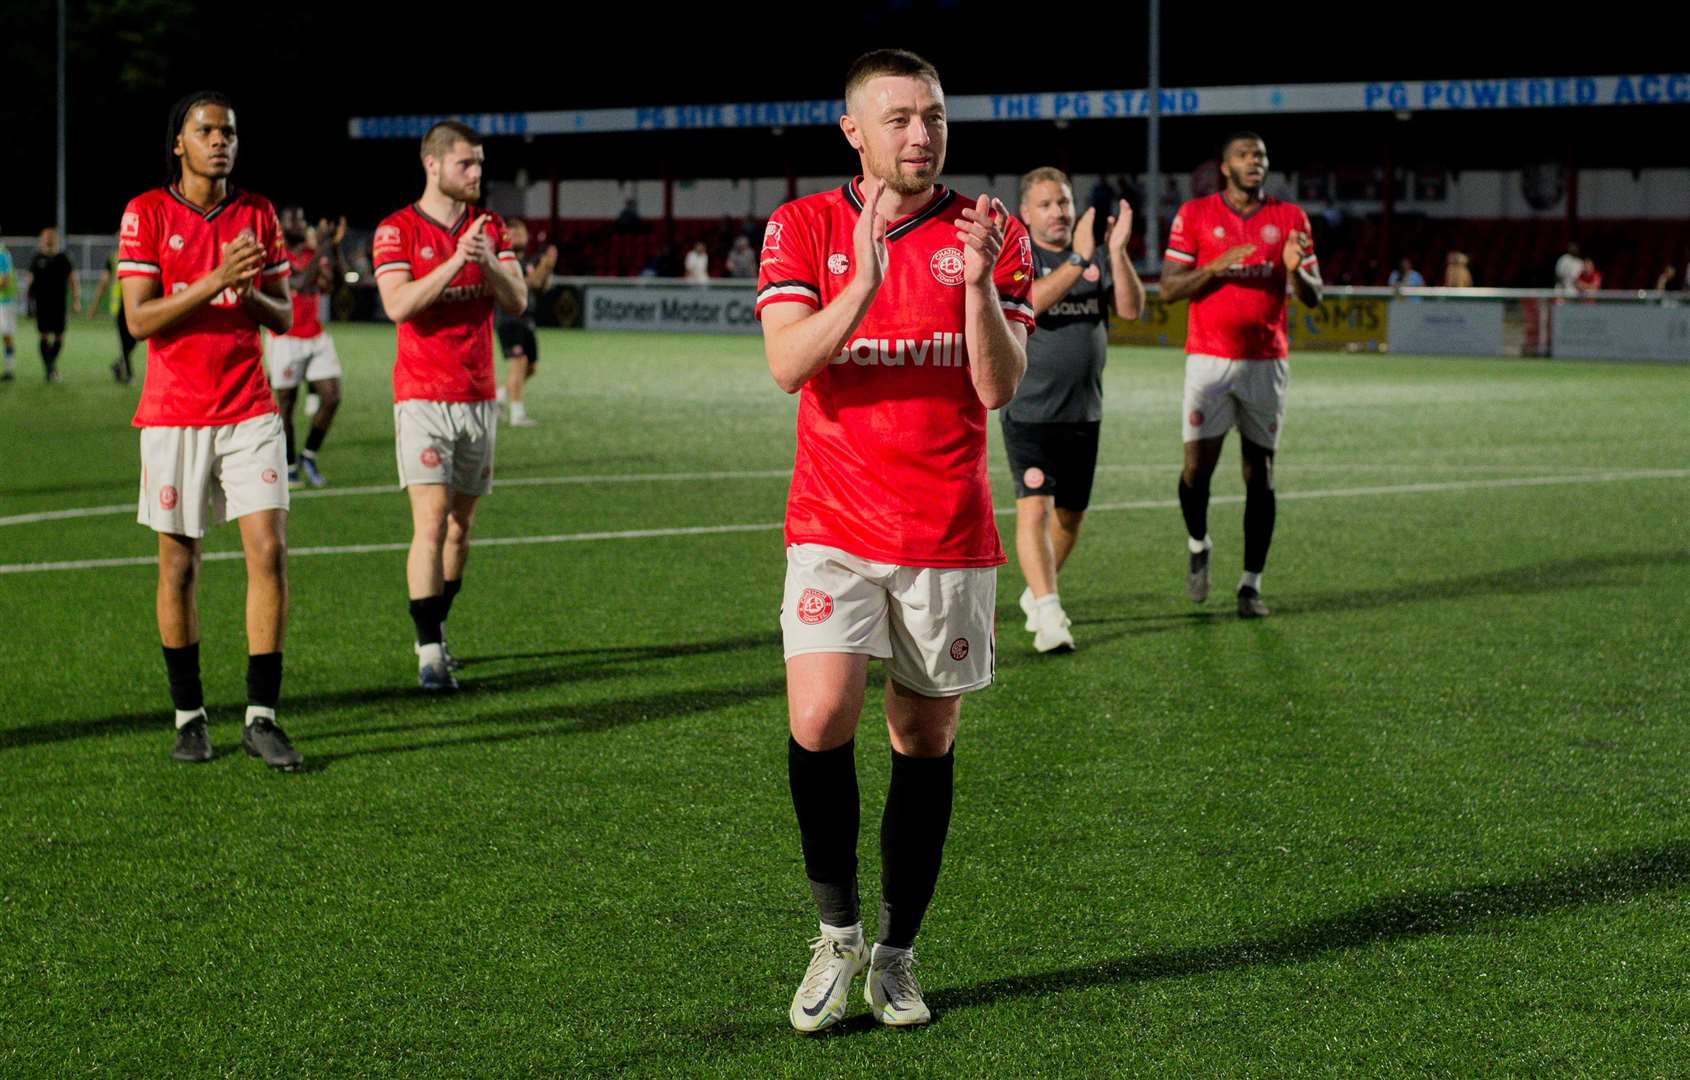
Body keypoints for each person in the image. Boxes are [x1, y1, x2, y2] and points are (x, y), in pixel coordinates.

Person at [757, 48, 1033, 1033]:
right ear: (855, 133)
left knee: (923, 737)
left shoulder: (985, 232)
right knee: (821, 714)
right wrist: (866, 280)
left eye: (934, 119)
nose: (921, 136)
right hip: (831, 526)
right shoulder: (805, 225)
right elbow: (788, 362)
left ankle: (897, 954)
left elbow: (998, 388)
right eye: (901, 120)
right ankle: (834, 935)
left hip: (947, 534)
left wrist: (976, 289)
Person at [116, 90, 301, 768]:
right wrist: (215, 278)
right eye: (206, 129)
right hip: (173, 414)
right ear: (179, 143)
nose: (220, 140)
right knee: (179, 565)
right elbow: (139, 320)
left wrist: (246, 292)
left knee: (269, 552)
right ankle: (190, 716)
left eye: (228, 130)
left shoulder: (258, 213)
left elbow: (280, 315)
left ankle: (261, 716)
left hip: (249, 408)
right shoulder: (147, 213)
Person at [373, 120, 526, 692]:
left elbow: (517, 298)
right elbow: (398, 304)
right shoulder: (396, 230)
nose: (477, 174)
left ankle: (438, 627)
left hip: (478, 398)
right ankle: (429, 651)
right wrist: (454, 262)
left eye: (480, 164)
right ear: (432, 164)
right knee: (432, 523)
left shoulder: (490, 229)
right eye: (467, 164)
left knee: (461, 530)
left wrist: (484, 260)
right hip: (421, 399)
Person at [1159, 131, 1322, 619]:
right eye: (1245, 156)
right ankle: (1198, 542)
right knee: (1196, 470)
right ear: (1225, 166)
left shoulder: (1290, 219)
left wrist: (1298, 272)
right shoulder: (1195, 215)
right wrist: (1215, 266)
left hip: (1266, 363)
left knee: (1261, 474)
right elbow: (1168, 290)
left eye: (1262, 156)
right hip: (1208, 360)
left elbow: (1314, 296)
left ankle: (1251, 584)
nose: (1255, 162)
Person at [1006, 166, 1144, 653]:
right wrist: (1080, 258)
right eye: (1045, 204)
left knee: (1070, 518)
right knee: (1034, 509)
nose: (1058, 212)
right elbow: (1028, 303)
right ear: (1026, 213)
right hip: (1029, 410)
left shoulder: (1096, 259)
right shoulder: (1018, 257)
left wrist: (1117, 254)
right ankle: (1048, 615)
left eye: (1063, 202)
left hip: (1084, 412)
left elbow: (1130, 310)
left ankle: (1037, 593)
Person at [264, 207, 345, 488]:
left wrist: (333, 248)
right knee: (286, 404)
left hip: (315, 337)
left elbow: (333, 284)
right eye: (293, 218)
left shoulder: (314, 253)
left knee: (332, 396)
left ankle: (308, 454)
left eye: (301, 217)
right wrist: (323, 246)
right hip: (285, 338)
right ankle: (289, 465)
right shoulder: (274, 255)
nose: (299, 222)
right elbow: (297, 282)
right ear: (281, 224)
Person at [496, 218, 556, 427]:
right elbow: (526, 283)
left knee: (531, 368)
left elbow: (542, 285)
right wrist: (543, 266)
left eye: (521, 233)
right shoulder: (505, 260)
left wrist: (547, 267)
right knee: (519, 363)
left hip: (526, 320)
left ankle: (498, 398)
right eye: (514, 233)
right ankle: (517, 414)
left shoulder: (526, 262)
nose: (519, 237)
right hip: (509, 318)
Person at [27, 227, 79, 382]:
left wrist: (76, 300)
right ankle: (50, 369)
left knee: (59, 337)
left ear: (56, 239)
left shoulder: (64, 258)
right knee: (43, 336)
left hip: (59, 305)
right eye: (46, 237)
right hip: (42, 305)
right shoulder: (36, 258)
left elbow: (72, 280)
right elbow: (29, 281)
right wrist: (28, 303)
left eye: (51, 237)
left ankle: (50, 367)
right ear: (42, 239)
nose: (49, 239)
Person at [85, 242, 140, 383]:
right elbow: (104, 282)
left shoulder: (140, 253)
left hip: (135, 302)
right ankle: (128, 374)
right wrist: (94, 306)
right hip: (119, 305)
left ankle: (118, 365)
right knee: (124, 341)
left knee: (136, 337)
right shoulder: (114, 257)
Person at [0, 232, 17, 380]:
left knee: (6, 336)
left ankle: (9, 369)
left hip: (4, 303)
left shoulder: (2, 254)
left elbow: (4, 281)